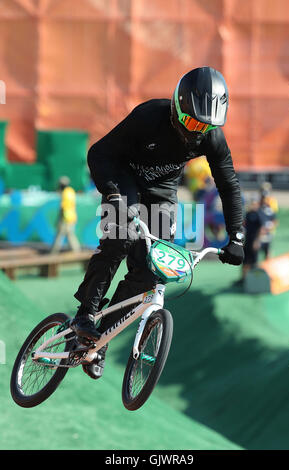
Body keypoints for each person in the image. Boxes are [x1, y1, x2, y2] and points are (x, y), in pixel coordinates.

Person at [70, 66, 245, 379]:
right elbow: (99, 153)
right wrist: (112, 194)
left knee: (152, 269)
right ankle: (84, 316)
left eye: (204, 127)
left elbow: (228, 184)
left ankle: (103, 339)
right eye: (191, 121)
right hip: (124, 180)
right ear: (178, 106)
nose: (195, 132)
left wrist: (237, 236)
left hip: (162, 192)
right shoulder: (149, 116)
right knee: (119, 241)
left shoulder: (210, 137)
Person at [50, 176, 81, 253]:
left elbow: (63, 207)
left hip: (65, 217)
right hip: (72, 216)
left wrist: (59, 218)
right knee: (70, 235)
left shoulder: (65, 193)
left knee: (59, 235)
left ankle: (53, 252)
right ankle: (77, 251)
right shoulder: (71, 191)